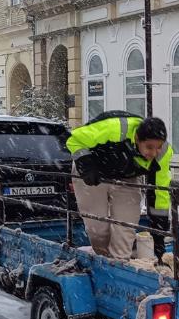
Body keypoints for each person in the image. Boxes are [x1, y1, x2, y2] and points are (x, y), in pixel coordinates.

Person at [66, 111, 172, 262]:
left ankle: (120, 265)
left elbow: (160, 192)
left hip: (127, 175)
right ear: (136, 139)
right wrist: (86, 165)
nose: (155, 153)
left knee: (126, 225)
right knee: (98, 227)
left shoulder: (163, 153)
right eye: (149, 147)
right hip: (94, 172)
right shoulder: (114, 128)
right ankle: (103, 259)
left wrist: (159, 230)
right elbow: (74, 139)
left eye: (159, 147)